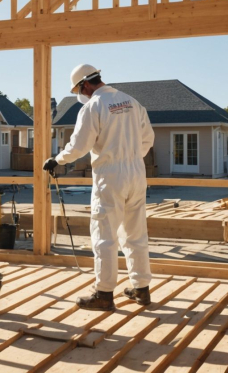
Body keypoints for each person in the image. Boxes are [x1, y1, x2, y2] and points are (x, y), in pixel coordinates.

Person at [43, 64, 155, 310]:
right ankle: (141, 290)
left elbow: (79, 146)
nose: (80, 94)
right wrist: (132, 157)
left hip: (110, 175)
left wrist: (57, 160)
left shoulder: (93, 106)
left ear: (84, 85)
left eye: (78, 90)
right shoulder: (132, 102)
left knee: (105, 236)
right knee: (136, 233)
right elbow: (148, 139)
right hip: (137, 172)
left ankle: (103, 294)